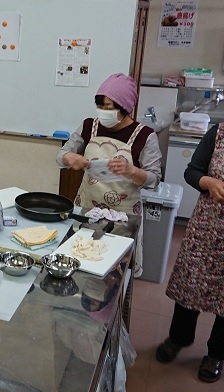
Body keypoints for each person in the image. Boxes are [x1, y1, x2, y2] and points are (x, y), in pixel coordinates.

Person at [56, 73, 163, 276]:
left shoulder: (144, 136)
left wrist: (132, 171)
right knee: (81, 262)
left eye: (109, 107)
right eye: (100, 106)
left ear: (125, 107)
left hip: (124, 218)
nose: (103, 112)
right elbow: (61, 156)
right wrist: (71, 158)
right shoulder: (89, 126)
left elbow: (154, 180)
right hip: (86, 210)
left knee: (116, 274)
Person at [155, 123, 224, 383]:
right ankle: (178, 339)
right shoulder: (218, 133)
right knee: (190, 283)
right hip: (207, 228)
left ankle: (216, 354)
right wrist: (208, 181)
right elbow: (192, 171)